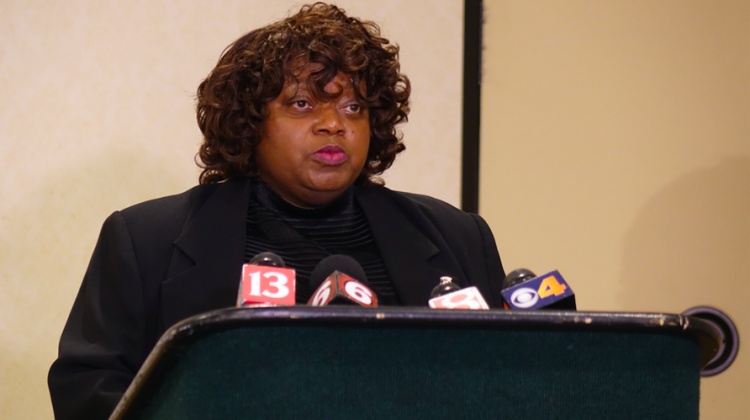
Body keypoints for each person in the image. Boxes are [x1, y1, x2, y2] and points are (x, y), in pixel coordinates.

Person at [48, 3, 505, 419]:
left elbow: (507, 384)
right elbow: (87, 393)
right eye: (303, 104)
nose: (334, 124)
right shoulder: (146, 240)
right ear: (250, 121)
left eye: (354, 106)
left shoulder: (458, 237)